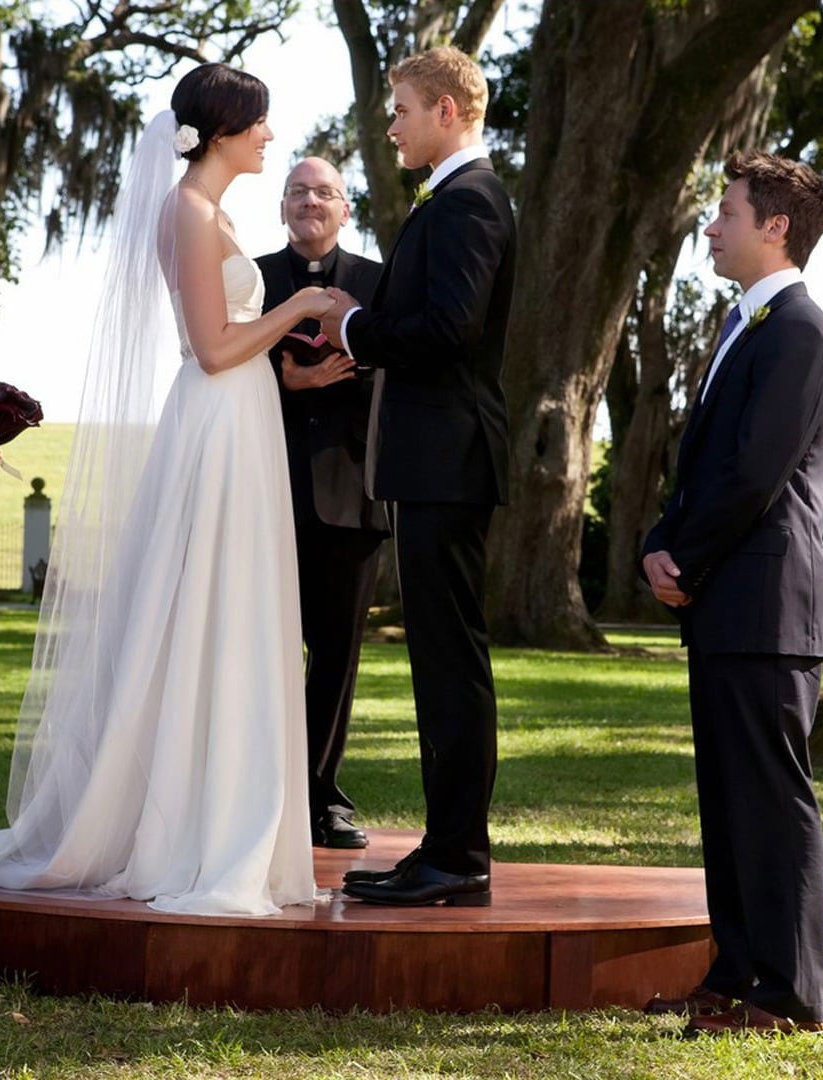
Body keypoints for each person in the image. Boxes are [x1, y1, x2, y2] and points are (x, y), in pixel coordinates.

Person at [0, 63, 335, 917]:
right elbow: (212, 348)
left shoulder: (217, 211)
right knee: (205, 611)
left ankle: (232, 809)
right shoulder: (188, 211)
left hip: (247, 421)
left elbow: (237, 350)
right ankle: (187, 824)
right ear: (221, 130)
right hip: (216, 425)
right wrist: (298, 302)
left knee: (240, 608)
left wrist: (293, 375)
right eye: (259, 122)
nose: (270, 135)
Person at [638, 150, 823, 1036]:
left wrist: (687, 555)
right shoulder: (738, 325)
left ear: (776, 227)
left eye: (725, 212)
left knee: (771, 801)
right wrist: (656, 542)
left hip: (768, 606)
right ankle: (733, 974)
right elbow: (704, 468)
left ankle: (789, 995)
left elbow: (757, 473)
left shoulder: (799, 330)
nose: (711, 227)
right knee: (725, 802)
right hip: (727, 602)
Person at [317, 46, 516, 908]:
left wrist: (354, 325)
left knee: (451, 663)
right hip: (433, 461)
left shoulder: (469, 202)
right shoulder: (451, 198)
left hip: (450, 459)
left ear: (447, 110)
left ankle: (457, 857)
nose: (390, 125)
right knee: (440, 660)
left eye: (400, 110)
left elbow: (448, 330)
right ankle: (446, 849)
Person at [254, 156, 387, 850]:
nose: (311, 202)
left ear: (345, 209)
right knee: (256, 650)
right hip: (258, 492)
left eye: (325, 193)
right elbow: (220, 366)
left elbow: (400, 370)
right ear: (282, 207)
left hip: (351, 497)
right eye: (298, 192)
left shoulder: (376, 282)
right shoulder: (251, 278)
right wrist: (293, 384)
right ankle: (253, 794)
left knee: (335, 656)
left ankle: (320, 797)